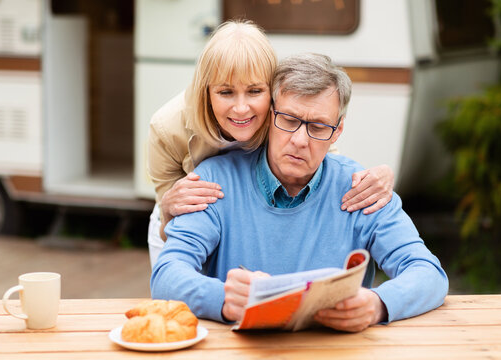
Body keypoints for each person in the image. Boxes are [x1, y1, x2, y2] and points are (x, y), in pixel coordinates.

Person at [151, 53, 448, 332]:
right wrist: (223, 298)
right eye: (289, 120)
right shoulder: (215, 180)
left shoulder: (362, 189)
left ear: (339, 130)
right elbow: (166, 275)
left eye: (318, 127)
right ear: (269, 116)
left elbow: (428, 272)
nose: (300, 141)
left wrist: (378, 304)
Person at [147, 20, 395, 267]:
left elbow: (325, 163)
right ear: (206, 91)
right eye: (226, 92)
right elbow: (174, 224)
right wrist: (168, 210)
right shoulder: (167, 128)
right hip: (185, 219)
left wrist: (380, 178)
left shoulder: (285, 117)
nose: (242, 108)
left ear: (273, 92)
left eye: (255, 91)